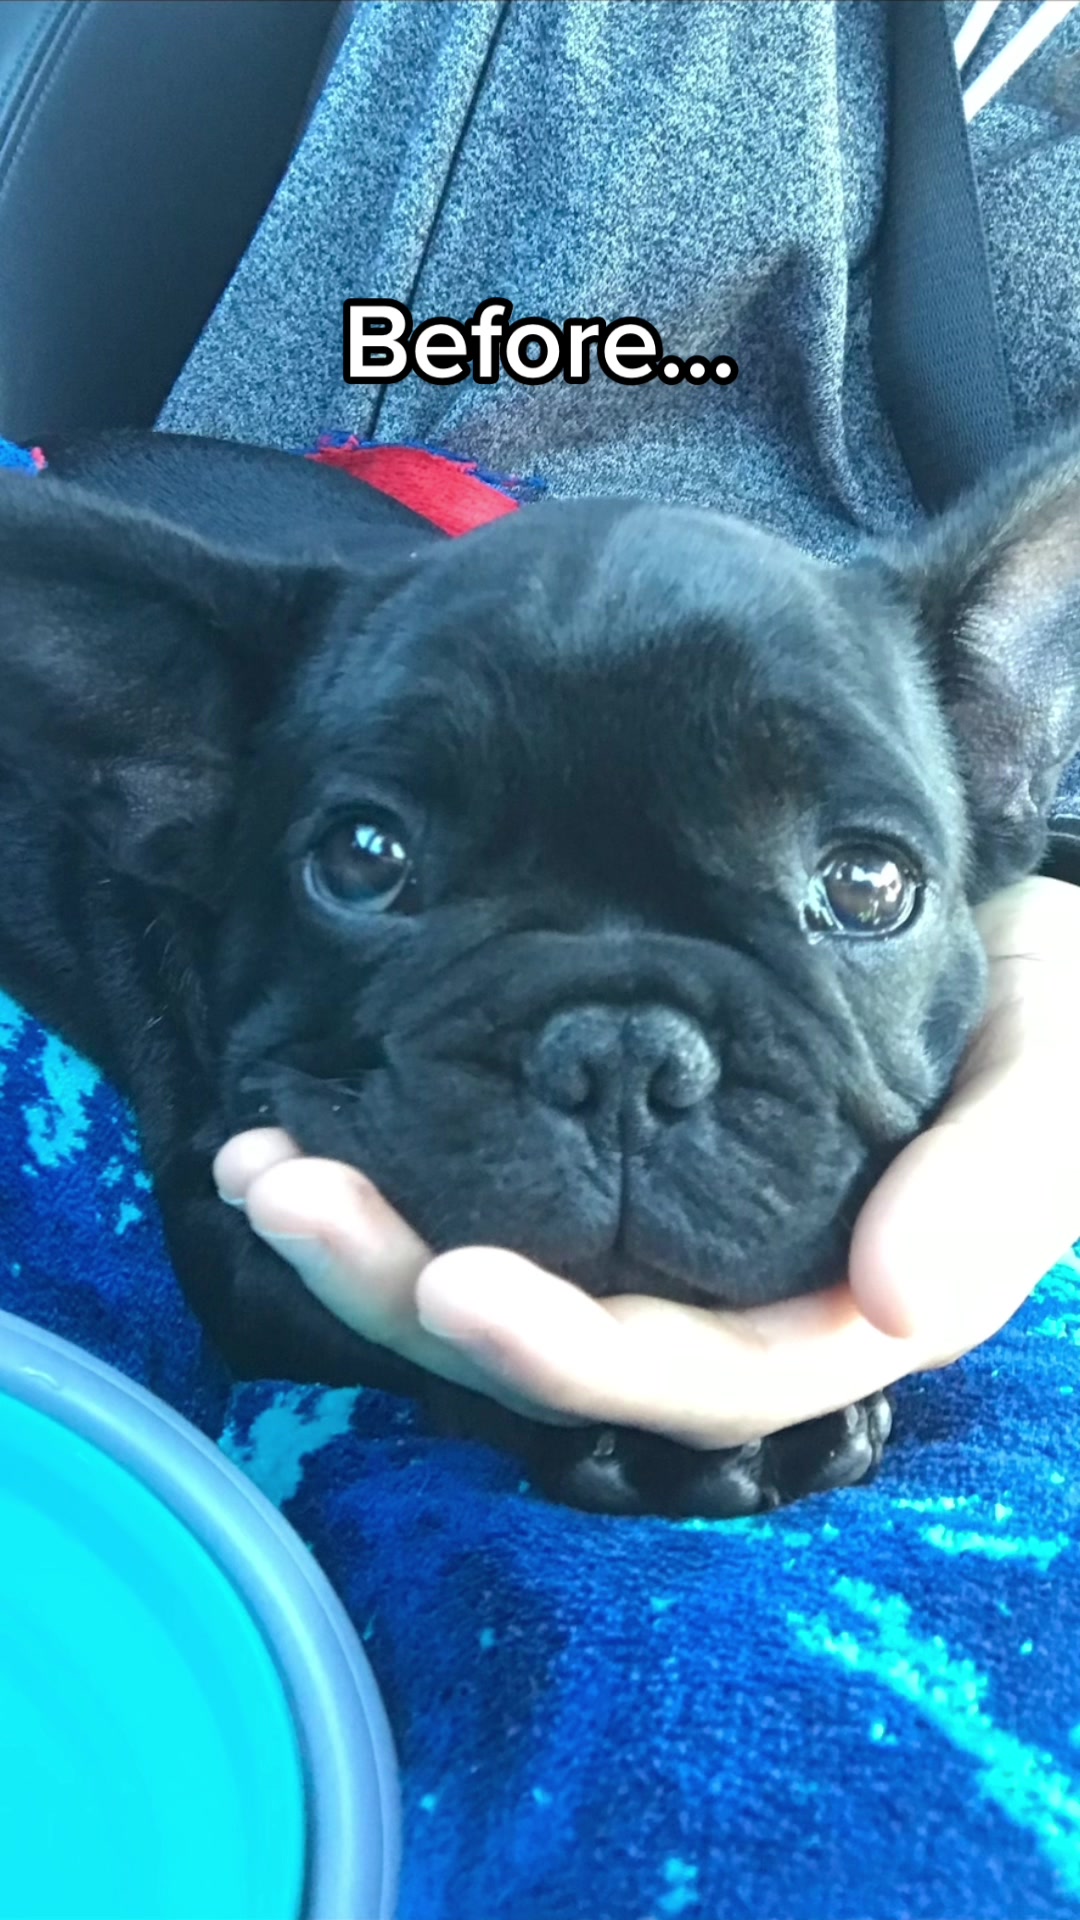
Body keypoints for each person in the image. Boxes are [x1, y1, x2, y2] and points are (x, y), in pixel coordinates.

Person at [157, 0, 1080, 1454]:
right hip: (344, 549)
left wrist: (1058, 938)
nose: (626, 1072)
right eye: (377, 864)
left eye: (859, 884)